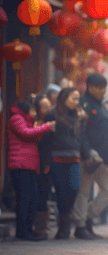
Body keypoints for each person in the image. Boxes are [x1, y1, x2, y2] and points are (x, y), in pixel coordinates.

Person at [73, 74, 108, 240]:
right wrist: (86, 153)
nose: (101, 90)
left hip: (103, 158)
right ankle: (81, 226)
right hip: (89, 155)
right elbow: (81, 131)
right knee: (84, 192)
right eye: (98, 87)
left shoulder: (102, 106)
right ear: (89, 87)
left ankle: (88, 217)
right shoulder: (83, 104)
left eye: (103, 87)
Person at [41, 88, 89, 239]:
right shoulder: (52, 113)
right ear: (64, 98)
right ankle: (63, 227)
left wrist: (86, 154)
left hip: (74, 158)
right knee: (61, 191)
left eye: (77, 99)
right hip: (57, 158)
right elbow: (46, 139)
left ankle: (66, 219)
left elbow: (81, 137)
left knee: (73, 189)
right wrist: (46, 160)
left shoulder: (78, 115)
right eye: (73, 98)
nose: (76, 102)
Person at [7, 101, 55, 241]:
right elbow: (25, 133)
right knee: (24, 199)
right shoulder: (16, 118)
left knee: (32, 199)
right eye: (33, 110)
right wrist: (45, 127)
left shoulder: (27, 121)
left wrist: (39, 128)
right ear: (26, 109)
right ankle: (22, 231)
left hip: (30, 164)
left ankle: (28, 229)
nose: (35, 112)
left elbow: (34, 137)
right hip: (20, 164)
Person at [32, 94, 54, 240]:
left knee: (43, 196)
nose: (46, 109)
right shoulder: (32, 122)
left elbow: (49, 147)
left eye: (48, 106)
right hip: (31, 162)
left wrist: (47, 164)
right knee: (33, 195)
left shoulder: (51, 124)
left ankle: (42, 229)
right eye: (43, 106)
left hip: (45, 163)